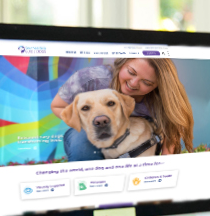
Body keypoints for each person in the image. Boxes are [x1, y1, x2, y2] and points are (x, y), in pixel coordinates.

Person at [50, 57, 194, 160]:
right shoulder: (90, 78)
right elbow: (57, 105)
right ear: (122, 62)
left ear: (157, 86)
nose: (133, 83)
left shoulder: (162, 98)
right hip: (90, 139)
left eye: (147, 82)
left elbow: (173, 130)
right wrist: (89, 125)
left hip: (138, 145)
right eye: (131, 72)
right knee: (81, 141)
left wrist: (166, 161)